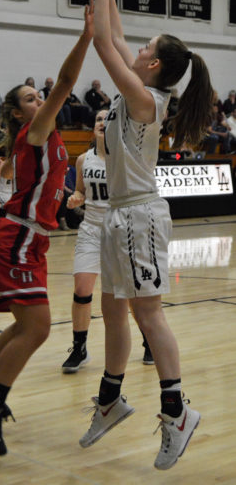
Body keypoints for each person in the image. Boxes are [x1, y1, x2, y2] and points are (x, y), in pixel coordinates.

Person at [78, 0, 213, 470]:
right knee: (113, 308)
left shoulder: (146, 100)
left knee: (148, 314)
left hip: (138, 216)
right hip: (117, 215)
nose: (135, 48)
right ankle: (111, 399)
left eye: (144, 48)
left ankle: (177, 412)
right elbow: (110, 37)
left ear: (152, 64)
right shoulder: (141, 88)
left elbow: (107, 47)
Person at [0, 1, 94, 457]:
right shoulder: (32, 135)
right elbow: (65, 83)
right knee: (38, 329)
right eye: (31, 99)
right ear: (20, 114)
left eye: (40, 98)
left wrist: (69, 201)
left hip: (32, 242)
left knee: (25, 325)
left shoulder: (56, 140)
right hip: (16, 238)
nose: (41, 101)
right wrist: (86, 37)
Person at [62, 109, 153, 373]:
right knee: (82, 288)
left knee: (129, 294)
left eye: (107, 119)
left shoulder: (126, 158)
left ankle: (148, 341)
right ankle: (79, 348)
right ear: (93, 128)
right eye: (98, 119)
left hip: (120, 232)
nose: (102, 122)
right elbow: (80, 189)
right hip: (90, 229)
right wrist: (76, 197)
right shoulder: (83, 160)